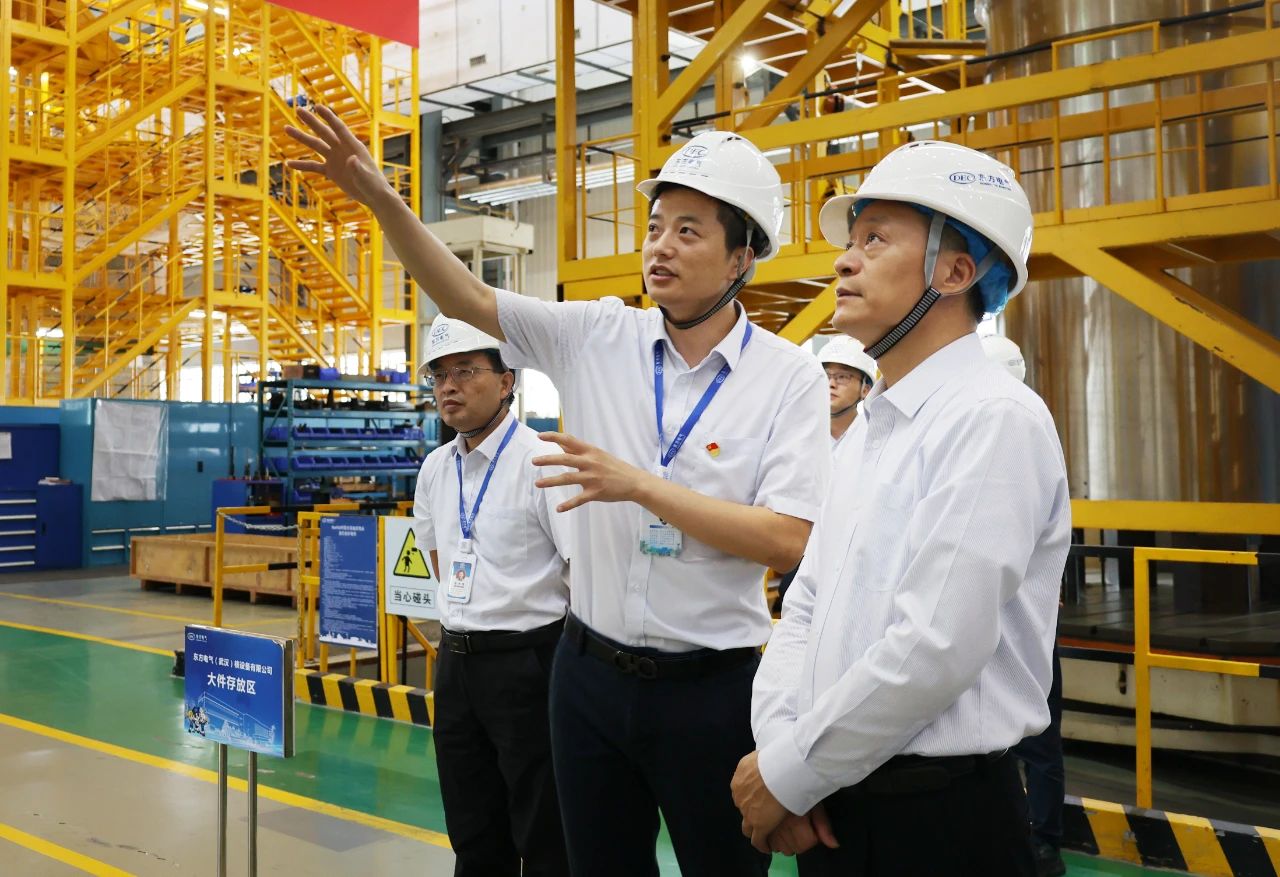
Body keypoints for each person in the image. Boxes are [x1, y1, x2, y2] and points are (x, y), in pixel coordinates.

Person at [286, 112, 830, 876]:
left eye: (688, 231)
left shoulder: (788, 376)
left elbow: (790, 537)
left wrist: (642, 487)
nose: (660, 246)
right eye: (654, 227)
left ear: (742, 256)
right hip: (588, 678)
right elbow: (468, 298)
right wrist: (383, 201)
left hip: (710, 689)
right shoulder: (596, 335)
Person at [733, 140, 1071, 876]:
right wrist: (785, 755)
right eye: (851, 241)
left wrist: (789, 772)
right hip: (834, 800)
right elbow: (808, 605)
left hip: (940, 821)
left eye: (875, 239)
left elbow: (934, 646)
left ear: (955, 272)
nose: (843, 262)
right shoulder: (869, 431)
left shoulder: (993, 419)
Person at [411, 314, 571, 876]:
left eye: (465, 371)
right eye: (438, 376)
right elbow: (437, 557)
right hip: (456, 663)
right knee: (472, 827)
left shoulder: (543, 460)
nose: (448, 387)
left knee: (545, 828)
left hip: (530, 663)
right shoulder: (435, 468)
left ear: (507, 382)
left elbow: (579, 570)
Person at [983, 334, 1068, 877]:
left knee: (1034, 740)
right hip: (1005, 619)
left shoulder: (1025, 431)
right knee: (1022, 740)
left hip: (1021, 620)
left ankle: (1043, 842)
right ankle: (1033, 840)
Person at [818, 335, 876, 449]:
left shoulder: (875, 435)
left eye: (842, 377)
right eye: (825, 376)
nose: (831, 384)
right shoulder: (800, 431)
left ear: (865, 390)